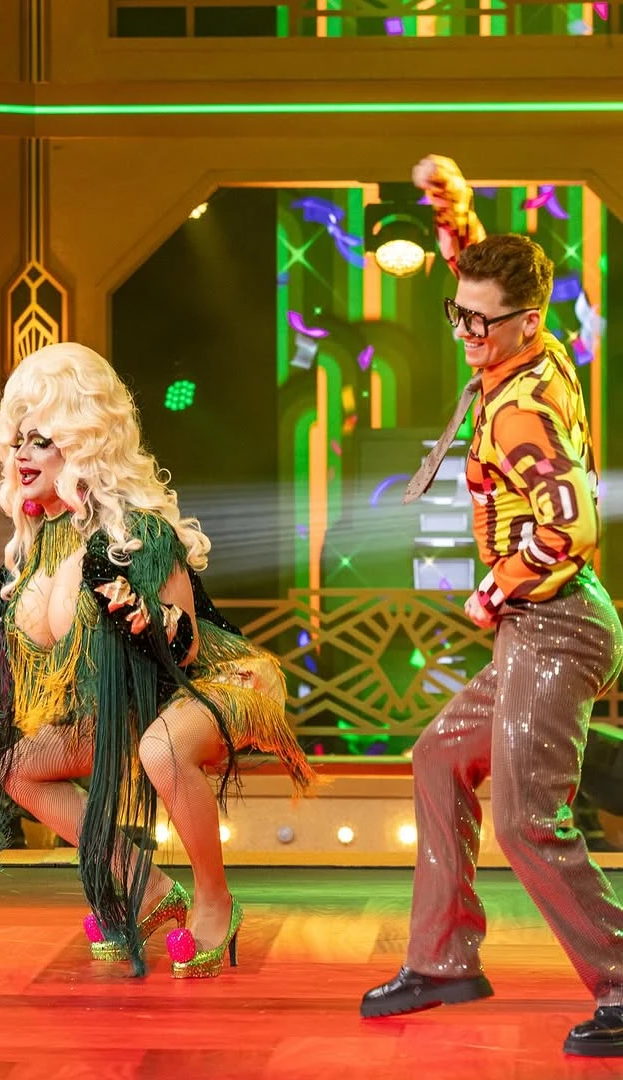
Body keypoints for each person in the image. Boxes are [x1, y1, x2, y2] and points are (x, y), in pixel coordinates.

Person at [360, 156, 623, 1058]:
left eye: (482, 321)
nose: (467, 334)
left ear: (528, 322)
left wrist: (494, 585)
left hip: (555, 623)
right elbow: (483, 274)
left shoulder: (522, 409)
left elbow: (572, 525)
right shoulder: (533, 345)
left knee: (525, 819)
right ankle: (442, 960)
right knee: (438, 757)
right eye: (458, 315)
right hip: (542, 627)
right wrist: (455, 211)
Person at [0, 342, 314, 977]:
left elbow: (184, 648)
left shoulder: (137, 531)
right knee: (19, 768)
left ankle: (215, 902)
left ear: (81, 445)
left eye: (40, 440)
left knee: (161, 748)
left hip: (216, 680)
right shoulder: (42, 544)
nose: (21, 455)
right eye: (17, 441)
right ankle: (148, 888)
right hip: (137, 700)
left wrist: (146, 617)